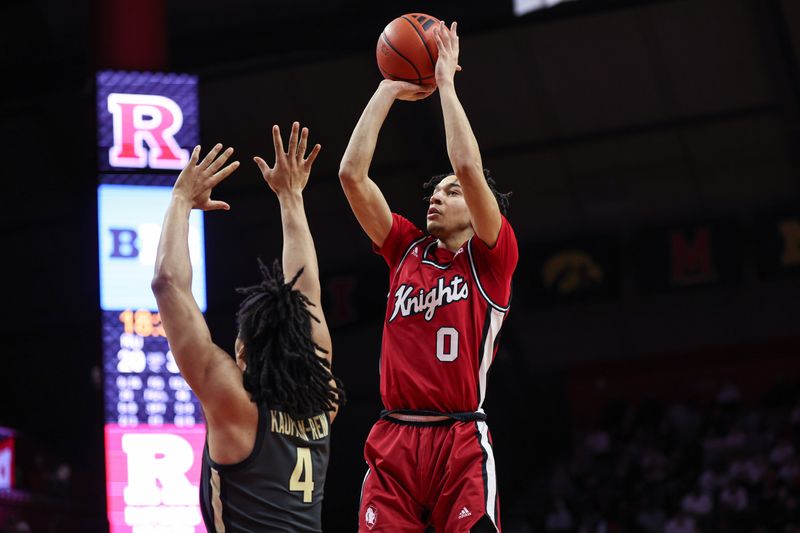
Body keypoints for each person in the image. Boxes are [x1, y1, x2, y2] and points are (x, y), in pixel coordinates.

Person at [338, 21, 517, 533]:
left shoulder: (492, 258)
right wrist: (388, 87)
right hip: (395, 436)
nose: (437, 195)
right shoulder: (405, 249)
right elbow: (352, 176)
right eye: (434, 191)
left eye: (451, 192)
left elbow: (465, 164)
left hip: (460, 439)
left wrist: (446, 83)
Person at [152, 122, 345, 532]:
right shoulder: (323, 399)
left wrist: (181, 199)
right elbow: (305, 294)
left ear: (242, 350)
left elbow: (167, 283)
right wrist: (291, 197)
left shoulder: (233, 401)